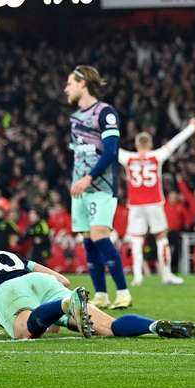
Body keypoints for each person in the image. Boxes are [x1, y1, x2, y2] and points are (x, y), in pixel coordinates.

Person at [0, 234, 195, 340]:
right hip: (40, 281)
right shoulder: (4, 254)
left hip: (4, 292)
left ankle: (65, 307)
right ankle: (154, 326)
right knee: (107, 327)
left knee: (23, 330)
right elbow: (62, 280)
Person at [65, 65, 130, 309]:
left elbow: (111, 151)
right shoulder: (75, 119)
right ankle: (101, 294)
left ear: (82, 83)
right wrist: (77, 180)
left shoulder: (105, 112)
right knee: (87, 239)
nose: (66, 88)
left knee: (99, 235)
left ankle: (123, 292)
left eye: (70, 83)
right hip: (79, 187)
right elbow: (80, 154)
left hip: (100, 186)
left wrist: (88, 178)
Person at [118, 118, 195, 286]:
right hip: (154, 203)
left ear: (136, 144)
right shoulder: (157, 156)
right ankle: (167, 274)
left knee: (137, 240)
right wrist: (191, 127)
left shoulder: (127, 158)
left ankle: (138, 276)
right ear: (150, 144)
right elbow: (176, 142)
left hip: (135, 205)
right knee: (161, 238)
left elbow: (108, 147)